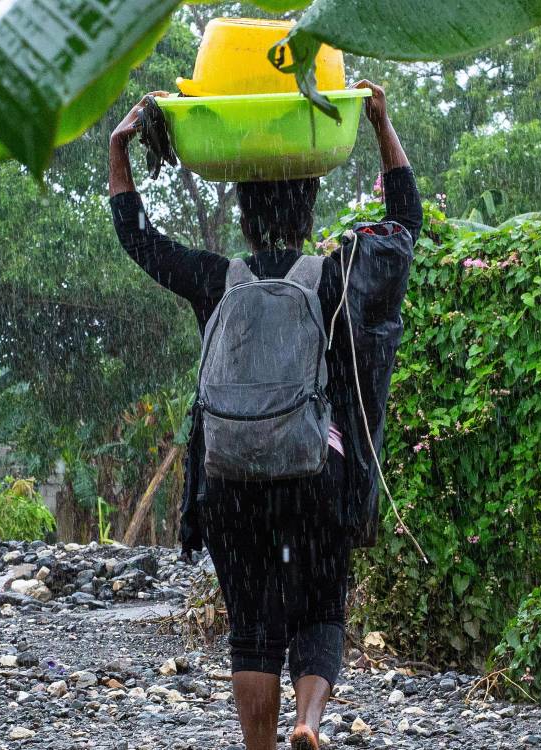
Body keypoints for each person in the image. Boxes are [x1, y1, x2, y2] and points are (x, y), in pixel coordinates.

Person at [108, 80, 420, 750]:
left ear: (246, 217)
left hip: (230, 476)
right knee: (319, 606)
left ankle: (260, 746)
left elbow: (138, 239)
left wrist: (119, 152)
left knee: (252, 625)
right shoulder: (332, 279)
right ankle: (307, 721)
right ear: (305, 215)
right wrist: (379, 124)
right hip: (314, 470)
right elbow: (403, 229)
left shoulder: (216, 279)